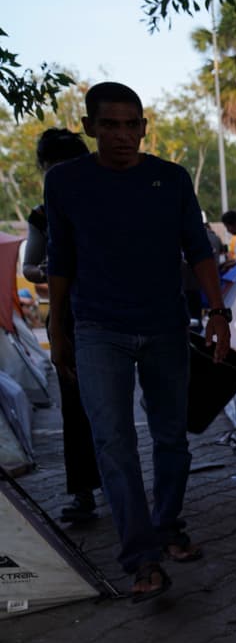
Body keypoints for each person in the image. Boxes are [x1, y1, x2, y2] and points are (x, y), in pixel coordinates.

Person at [44, 81, 233, 603]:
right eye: (110, 125)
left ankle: (167, 526)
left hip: (166, 328)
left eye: (132, 124)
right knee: (114, 443)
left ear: (145, 127)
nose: (123, 135)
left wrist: (218, 315)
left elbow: (198, 250)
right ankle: (140, 557)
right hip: (97, 329)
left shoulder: (169, 180)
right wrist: (57, 332)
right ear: (90, 127)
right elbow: (61, 261)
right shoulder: (65, 182)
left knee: (171, 437)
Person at [22, 128, 102, 525]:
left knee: (111, 402)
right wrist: (49, 270)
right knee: (74, 404)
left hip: (109, 312)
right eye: (53, 168)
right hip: (67, 317)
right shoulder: (40, 215)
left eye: (67, 166)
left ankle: (124, 486)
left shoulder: (107, 201)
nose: (60, 176)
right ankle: (84, 492)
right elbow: (29, 266)